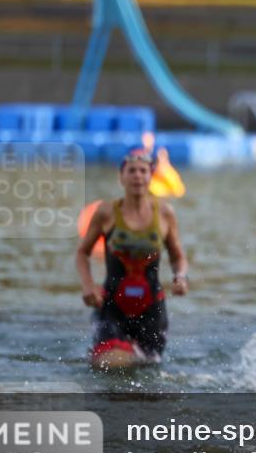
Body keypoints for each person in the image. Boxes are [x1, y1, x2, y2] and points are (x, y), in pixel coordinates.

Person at [76, 148, 189, 369]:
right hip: (112, 306)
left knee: (147, 367)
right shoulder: (106, 213)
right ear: (121, 177)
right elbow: (82, 253)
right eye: (132, 171)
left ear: (151, 176)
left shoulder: (165, 213)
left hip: (152, 307)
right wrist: (88, 285)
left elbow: (178, 257)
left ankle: (129, 357)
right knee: (107, 364)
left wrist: (181, 277)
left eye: (143, 171)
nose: (137, 175)